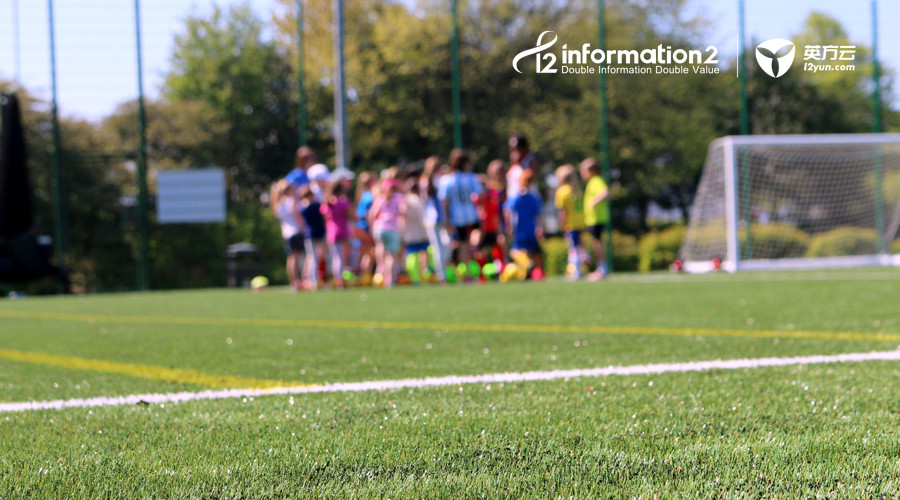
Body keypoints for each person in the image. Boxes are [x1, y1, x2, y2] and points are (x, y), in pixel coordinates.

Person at [438, 149, 483, 274]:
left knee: (463, 245)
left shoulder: (447, 180)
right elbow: (479, 195)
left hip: (457, 217)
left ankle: (467, 272)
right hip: (472, 214)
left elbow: (445, 201)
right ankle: (473, 254)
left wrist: (447, 219)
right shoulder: (471, 177)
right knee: (472, 239)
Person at [368, 178, 406, 288]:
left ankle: (380, 270)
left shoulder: (380, 199)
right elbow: (404, 212)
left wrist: (372, 227)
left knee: (380, 249)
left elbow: (372, 214)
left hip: (379, 228)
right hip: (392, 229)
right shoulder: (399, 198)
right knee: (391, 256)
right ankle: (389, 279)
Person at [505, 169, 544, 275]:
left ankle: (527, 264)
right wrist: (540, 228)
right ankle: (537, 272)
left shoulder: (517, 197)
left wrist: (509, 226)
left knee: (514, 251)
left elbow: (507, 211)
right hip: (531, 229)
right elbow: (538, 215)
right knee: (533, 252)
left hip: (520, 230)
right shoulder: (534, 198)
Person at [270, 179, 304, 291]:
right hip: (295, 232)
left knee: (290, 258)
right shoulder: (290, 201)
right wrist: (303, 226)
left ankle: (293, 281)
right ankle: (297, 281)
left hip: (286, 234)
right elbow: (297, 215)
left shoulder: (278, 204)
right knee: (295, 259)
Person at [554, 164, 587, 280]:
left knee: (573, 247)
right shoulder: (576, 190)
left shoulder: (562, 192)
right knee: (579, 245)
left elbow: (563, 211)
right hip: (581, 222)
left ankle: (576, 270)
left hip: (571, 224)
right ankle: (584, 259)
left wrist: (562, 224)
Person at [580, 157, 611, 281]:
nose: (582, 173)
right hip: (592, 219)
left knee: (597, 243)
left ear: (592, 170)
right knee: (593, 242)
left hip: (597, 218)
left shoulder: (596, 180)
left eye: (584, 170)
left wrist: (594, 201)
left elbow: (605, 192)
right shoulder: (592, 182)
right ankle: (598, 266)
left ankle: (602, 268)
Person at [420, 156, 448, 283]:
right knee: (439, 248)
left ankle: (442, 272)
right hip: (435, 219)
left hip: (436, 219)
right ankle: (441, 275)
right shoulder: (433, 181)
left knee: (444, 247)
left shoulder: (433, 181)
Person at [321, 181, 354, 289]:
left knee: (337, 257)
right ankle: (341, 280)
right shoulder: (342, 202)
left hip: (332, 232)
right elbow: (351, 216)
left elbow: (325, 218)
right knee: (344, 257)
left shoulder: (327, 203)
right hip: (343, 231)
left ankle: (339, 279)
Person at [477, 159, 507, 268]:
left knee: (501, 244)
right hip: (489, 222)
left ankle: (502, 267)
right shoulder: (489, 190)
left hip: (502, 220)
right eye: (495, 172)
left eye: (500, 172)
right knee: (481, 248)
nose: (498, 175)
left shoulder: (506, 188)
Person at [298, 185, 327, 290]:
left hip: (309, 235)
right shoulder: (316, 205)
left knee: (312, 258)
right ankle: (316, 281)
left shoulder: (303, 208)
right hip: (319, 233)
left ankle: (312, 280)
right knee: (318, 258)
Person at [402, 176, 430, 284]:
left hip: (410, 233)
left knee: (412, 255)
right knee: (424, 254)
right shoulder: (420, 200)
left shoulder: (404, 200)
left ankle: (415, 278)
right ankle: (426, 275)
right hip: (421, 233)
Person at [353, 172, 377, 279]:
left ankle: (365, 275)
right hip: (366, 227)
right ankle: (366, 275)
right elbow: (368, 214)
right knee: (371, 251)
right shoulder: (369, 195)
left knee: (367, 252)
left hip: (360, 226)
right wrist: (372, 228)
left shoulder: (361, 194)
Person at [506, 133, 537, 205]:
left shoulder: (531, 160)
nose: (512, 150)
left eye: (515, 147)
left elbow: (530, 178)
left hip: (526, 203)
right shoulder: (514, 163)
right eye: (510, 147)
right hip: (513, 202)